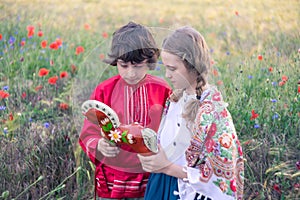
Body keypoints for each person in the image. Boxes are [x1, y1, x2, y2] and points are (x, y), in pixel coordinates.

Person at [138, 26, 244, 200]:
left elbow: (222, 177)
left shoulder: (213, 112)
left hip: (191, 192)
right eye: (165, 67)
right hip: (163, 184)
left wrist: (166, 167)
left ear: (193, 66)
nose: (167, 75)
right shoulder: (175, 99)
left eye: (172, 69)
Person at [79, 21, 172, 200]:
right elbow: (88, 131)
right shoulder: (104, 91)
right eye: (124, 65)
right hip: (113, 177)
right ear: (115, 62)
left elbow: (172, 128)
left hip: (149, 176)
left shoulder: (162, 90)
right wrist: (99, 145)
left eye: (137, 66)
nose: (130, 73)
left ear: (150, 60)